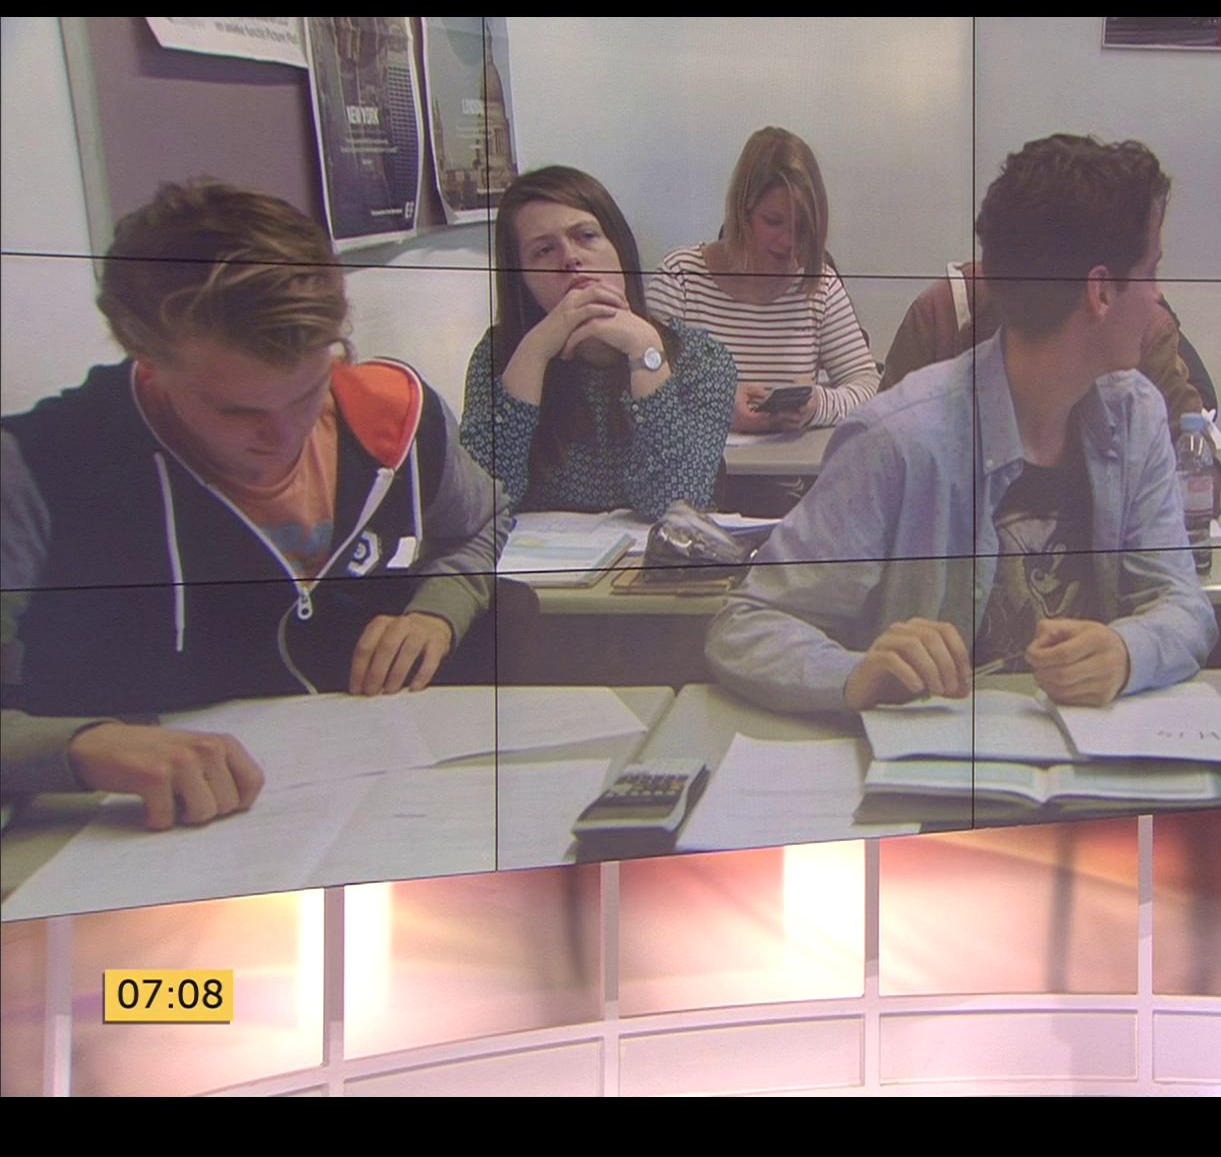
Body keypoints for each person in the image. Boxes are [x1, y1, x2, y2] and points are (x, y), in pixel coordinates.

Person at [1, 181, 507, 830]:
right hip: (128, 836)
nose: (283, 435)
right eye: (236, 411)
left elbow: (488, 522)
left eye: (307, 393)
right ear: (144, 357)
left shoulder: (394, 416)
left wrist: (440, 609)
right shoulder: (38, 469)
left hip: (378, 803)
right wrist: (80, 746)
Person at [705, 134, 1216, 715]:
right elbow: (747, 623)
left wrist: (1127, 652)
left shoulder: (1136, 416)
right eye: (1150, 272)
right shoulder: (898, 439)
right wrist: (855, 675)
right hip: (939, 758)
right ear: (1100, 291)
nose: (1157, 298)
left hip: (1085, 753)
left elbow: (1183, 604)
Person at [459, 166, 736, 515]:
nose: (570, 258)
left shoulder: (702, 358)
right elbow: (477, 506)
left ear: (619, 248)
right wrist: (535, 351)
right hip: (543, 551)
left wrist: (645, 351)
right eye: (544, 250)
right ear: (521, 279)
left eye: (587, 236)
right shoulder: (497, 355)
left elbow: (673, 504)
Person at [649, 127, 878, 435]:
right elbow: (638, 390)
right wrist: (716, 404)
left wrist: (817, 405)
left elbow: (869, 387)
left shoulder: (819, 285)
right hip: (698, 467)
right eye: (773, 222)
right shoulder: (680, 278)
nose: (788, 242)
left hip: (790, 466)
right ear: (742, 211)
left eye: (802, 227)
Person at [881, 259, 1214, 436]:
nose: (1156, 292)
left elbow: (1195, 457)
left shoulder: (1143, 330)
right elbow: (882, 445)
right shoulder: (945, 312)